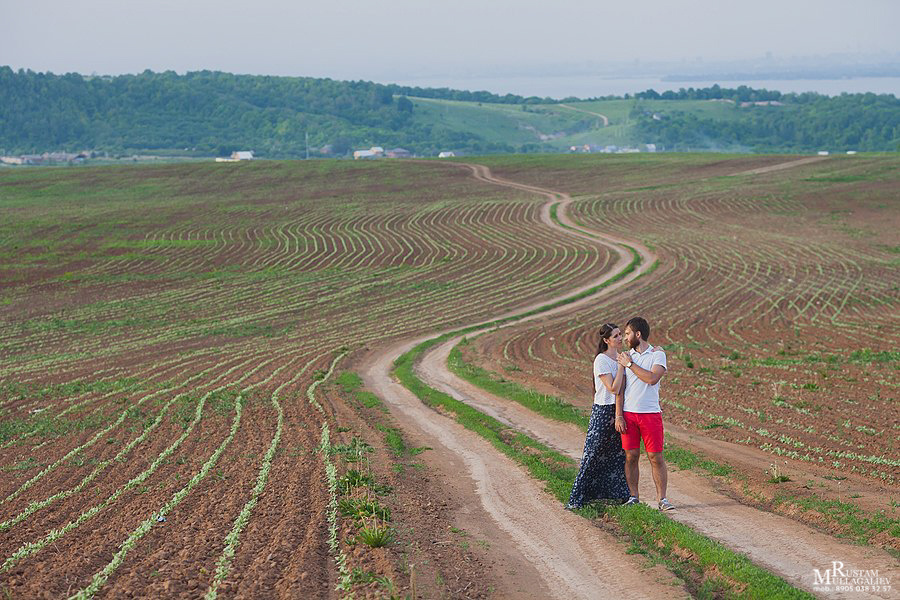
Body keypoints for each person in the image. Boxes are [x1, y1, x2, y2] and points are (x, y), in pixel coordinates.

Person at [566, 323, 631, 509]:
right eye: (616, 336)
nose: (620, 338)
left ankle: (619, 495)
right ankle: (577, 498)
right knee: (593, 453)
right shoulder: (601, 360)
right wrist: (621, 367)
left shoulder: (622, 357)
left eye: (620, 334)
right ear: (606, 340)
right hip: (603, 411)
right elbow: (613, 388)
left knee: (617, 455)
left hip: (618, 410)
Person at [614, 316, 675, 511]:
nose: (625, 338)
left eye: (627, 333)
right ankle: (634, 496)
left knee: (655, 457)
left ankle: (662, 499)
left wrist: (630, 365)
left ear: (638, 334)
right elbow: (620, 389)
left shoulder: (657, 355)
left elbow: (652, 378)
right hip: (628, 414)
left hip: (650, 414)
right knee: (631, 456)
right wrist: (618, 415)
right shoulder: (625, 356)